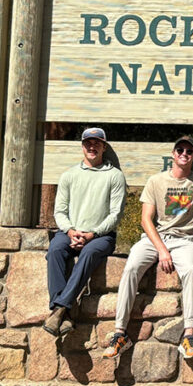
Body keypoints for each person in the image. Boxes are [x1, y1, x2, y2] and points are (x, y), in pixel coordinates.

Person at [103, 135, 193, 360]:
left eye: (189, 152)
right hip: (154, 238)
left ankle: (189, 335)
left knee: (191, 270)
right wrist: (162, 250)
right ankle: (119, 333)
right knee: (131, 267)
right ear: (173, 154)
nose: (184, 154)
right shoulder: (155, 181)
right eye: (179, 150)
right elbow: (146, 220)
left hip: (185, 241)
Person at [43, 127, 127, 336]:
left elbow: (115, 215)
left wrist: (92, 234)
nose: (92, 146)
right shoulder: (69, 175)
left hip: (102, 236)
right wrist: (71, 231)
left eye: (97, 142)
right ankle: (63, 313)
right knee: (55, 249)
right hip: (70, 232)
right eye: (88, 143)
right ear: (82, 146)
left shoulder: (115, 176)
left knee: (88, 254)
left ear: (103, 147)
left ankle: (60, 306)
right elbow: (60, 211)